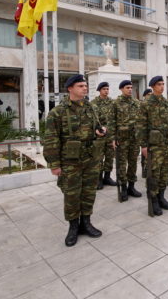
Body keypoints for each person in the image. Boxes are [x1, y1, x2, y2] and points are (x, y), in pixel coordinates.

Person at [43, 75, 105, 247]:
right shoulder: (58, 112)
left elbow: (98, 127)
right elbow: (51, 139)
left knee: (89, 192)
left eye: (85, 85)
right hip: (70, 161)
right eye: (80, 86)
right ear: (70, 88)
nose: (85, 88)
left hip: (91, 159)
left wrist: (101, 131)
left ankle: (86, 223)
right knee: (72, 195)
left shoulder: (91, 108)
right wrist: (54, 164)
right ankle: (73, 227)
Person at [137, 76, 168, 216]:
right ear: (153, 86)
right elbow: (141, 126)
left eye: (163, 84)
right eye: (159, 84)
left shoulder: (166, 103)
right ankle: (153, 200)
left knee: (164, 173)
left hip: (167, 145)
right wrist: (143, 146)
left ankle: (161, 197)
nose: (162, 86)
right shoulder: (146, 104)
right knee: (154, 174)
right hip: (154, 146)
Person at [113, 80, 142, 202]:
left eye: (131, 87)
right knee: (121, 164)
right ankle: (123, 187)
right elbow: (111, 122)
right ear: (121, 89)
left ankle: (131, 186)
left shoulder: (136, 102)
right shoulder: (116, 103)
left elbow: (141, 120)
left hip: (134, 139)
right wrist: (113, 138)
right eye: (127, 87)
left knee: (133, 163)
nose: (130, 89)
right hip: (122, 139)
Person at [91, 82, 116, 190]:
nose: (106, 91)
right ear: (99, 90)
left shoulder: (112, 102)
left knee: (110, 157)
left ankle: (107, 177)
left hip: (110, 135)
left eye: (107, 89)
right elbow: (91, 120)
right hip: (100, 136)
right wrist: (97, 129)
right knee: (99, 158)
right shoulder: (93, 103)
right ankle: (99, 179)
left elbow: (115, 118)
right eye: (104, 89)